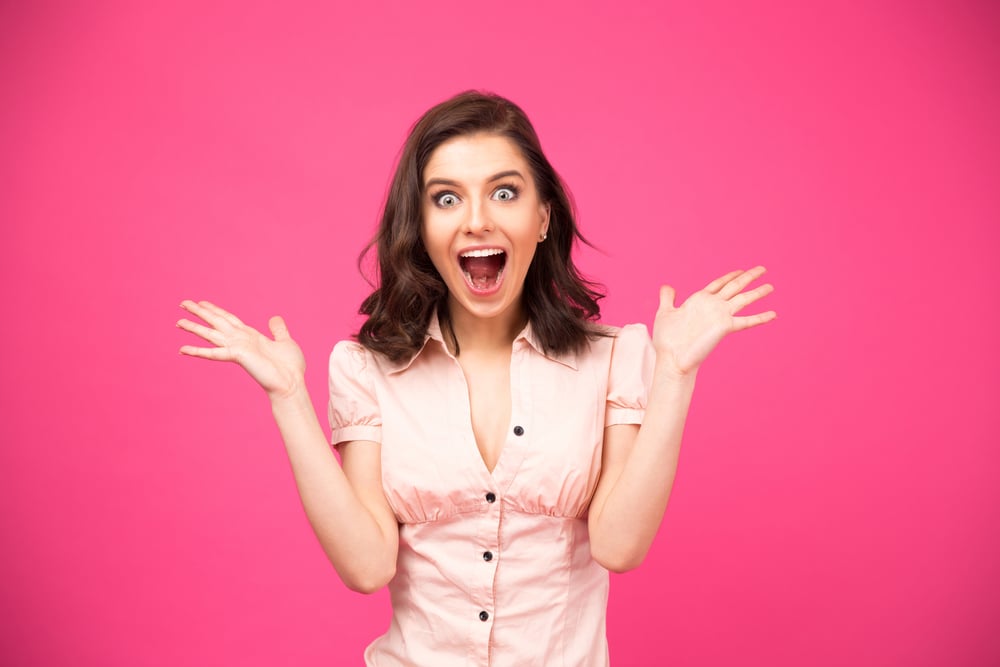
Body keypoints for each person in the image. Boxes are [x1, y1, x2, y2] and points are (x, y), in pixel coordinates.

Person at [177, 91, 776, 666]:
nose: (476, 221)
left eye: (504, 193)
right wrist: (288, 398)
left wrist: (675, 373)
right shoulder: (367, 369)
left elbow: (620, 547)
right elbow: (366, 567)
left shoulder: (614, 358)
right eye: (446, 199)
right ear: (421, 226)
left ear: (542, 218)